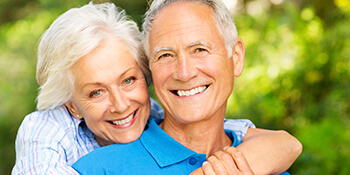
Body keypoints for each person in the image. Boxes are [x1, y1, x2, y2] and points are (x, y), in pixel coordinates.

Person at [12, 2, 300, 175]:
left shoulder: (261, 159)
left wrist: (284, 143)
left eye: (199, 49)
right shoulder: (86, 162)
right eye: (165, 55)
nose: (185, 72)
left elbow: (279, 140)